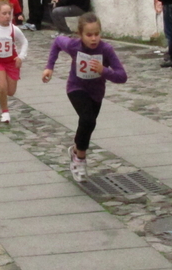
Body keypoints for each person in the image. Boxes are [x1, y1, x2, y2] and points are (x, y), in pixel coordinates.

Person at [42, 13, 127, 182]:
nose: (93, 38)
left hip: (96, 93)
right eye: (89, 35)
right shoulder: (74, 45)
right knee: (87, 119)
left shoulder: (106, 50)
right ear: (80, 35)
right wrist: (49, 67)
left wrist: (104, 70)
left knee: (88, 125)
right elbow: (57, 42)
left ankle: (75, 149)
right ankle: (79, 159)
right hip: (76, 87)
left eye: (97, 34)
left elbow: (122, 76)